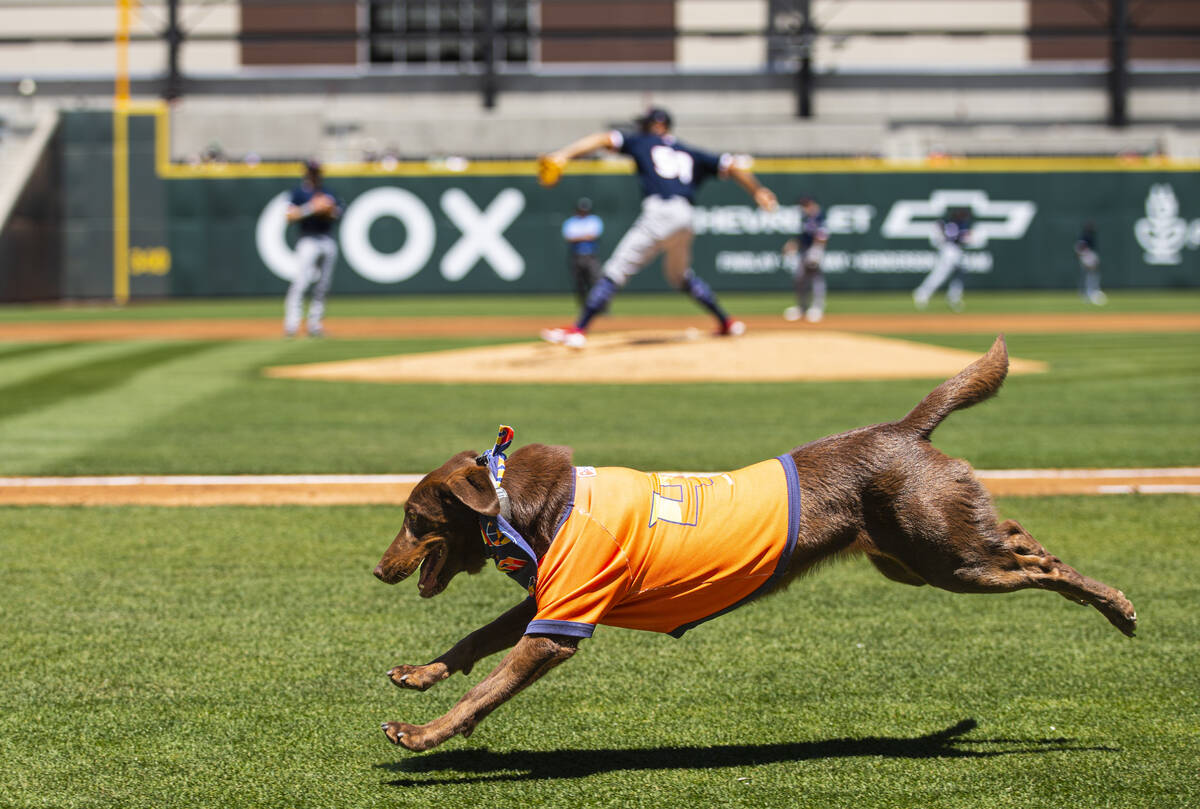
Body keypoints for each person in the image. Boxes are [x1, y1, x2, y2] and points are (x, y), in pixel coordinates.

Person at [539, 107, 778, 348]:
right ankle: (727, 323)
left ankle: (578, 330)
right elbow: (733, 165)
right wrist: (758, 190)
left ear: (659, 125)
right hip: (685, 216)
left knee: (616, 269)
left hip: (660, 212)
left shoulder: (643, 142)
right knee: (680, 276)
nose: (641, 127)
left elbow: (603, 138)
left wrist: (563, 155)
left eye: (646, 123)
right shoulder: (689, 151)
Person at [284, 160, 342, 338]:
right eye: (312, 171)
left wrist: (327, 208)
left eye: (317, 172)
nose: (315, 175)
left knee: (322, 285)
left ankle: (314, 325)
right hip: (307, 240)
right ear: (307, 173)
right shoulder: (299, 193)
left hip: (326, 239)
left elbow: (338, 212)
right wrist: (312, 208)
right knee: (301, 282)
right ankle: (291, 325)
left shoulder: (327, 192)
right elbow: (289, 215)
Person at [913, 207, 972, 312]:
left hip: (951, 250)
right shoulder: (957, 224)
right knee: (940, 274)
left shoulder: (948, 222)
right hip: (951, 250)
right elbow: (961, 238)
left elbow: (940, 229)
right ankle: (923, 293)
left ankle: (953, 296)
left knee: (957, 273)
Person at [782, 196, 829, 323]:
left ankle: (817, 308)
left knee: (816, 279)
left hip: (815, 250)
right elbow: (803, 237)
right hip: (805, 251)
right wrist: (793, 244)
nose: (803, 209)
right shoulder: (806, 218)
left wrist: (816, 252)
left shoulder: (819, 216)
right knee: (799, 278)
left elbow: (822, 236)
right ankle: (801, 308)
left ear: (810, 204)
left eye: (805, 206)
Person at [562, 197, 604, 307]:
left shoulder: (593, 220)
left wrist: (579, 236)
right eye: (581, 210)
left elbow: (593, 235)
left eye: (585, 210)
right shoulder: (571, 221)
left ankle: (602, 308)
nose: (583, 212)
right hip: (576, 256)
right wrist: (585, 236)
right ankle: (584, 308)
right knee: (580, 284)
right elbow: (569, 237)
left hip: (591, 256)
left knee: (597, 281)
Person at [1076, 222, 1106, 305]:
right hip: (1087, 256)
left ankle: (1092, 292)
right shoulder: (1085, 236)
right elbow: (1079, 248)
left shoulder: (1089, 236)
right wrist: (1085, 258)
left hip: (1089, 255)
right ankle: (1088, 293)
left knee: (1093, 275)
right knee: (1088, 276)